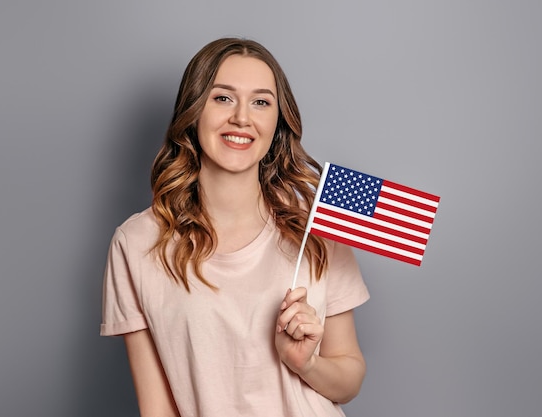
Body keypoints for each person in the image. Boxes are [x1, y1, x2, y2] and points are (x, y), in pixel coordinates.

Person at [100, 37, 370, 417]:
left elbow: (350, 378)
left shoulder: (316, 226)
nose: (242, 118)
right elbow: (157, 408)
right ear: (193, 111)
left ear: (278, 121)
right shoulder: (136, 243)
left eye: (261, 102)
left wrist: (306, 363)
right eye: (222, 98)